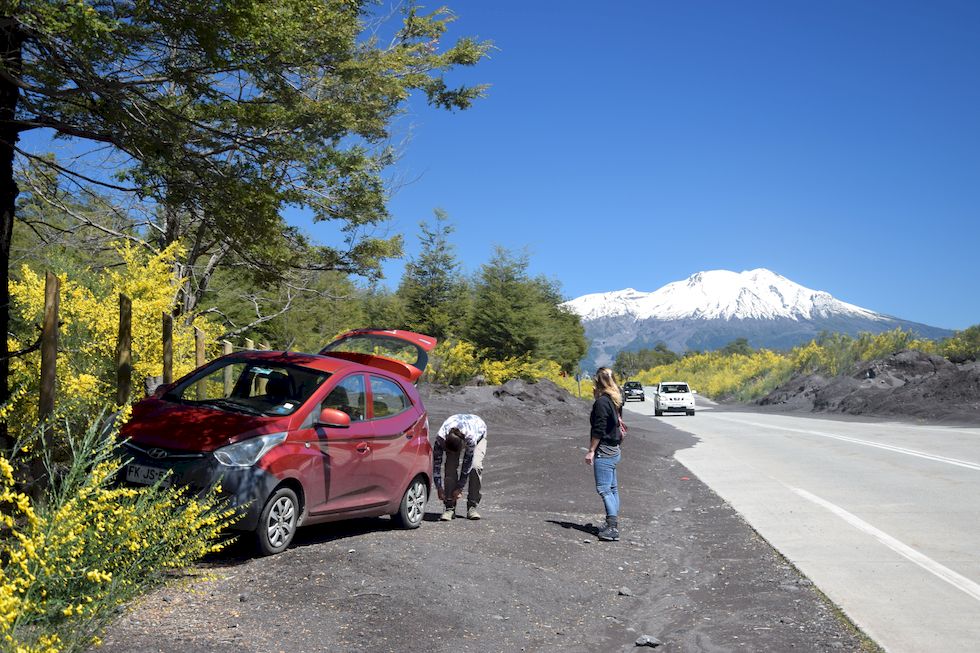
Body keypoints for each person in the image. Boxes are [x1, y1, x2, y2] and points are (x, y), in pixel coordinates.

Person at [585, 367, 624, 541]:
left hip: (605, 449)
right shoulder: (616, 399)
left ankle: (612, 527)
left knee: (603, 489)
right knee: (613, 489)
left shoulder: (602, 402)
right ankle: (612, 522)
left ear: (597, 383)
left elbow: (598, 429)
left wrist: (591, 450)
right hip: (615, 448)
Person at [433, 414, 488, 521]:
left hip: (479, 431)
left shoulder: (471, 439)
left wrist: (459, 488)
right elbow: (436, 464)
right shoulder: (440, 439)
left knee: (475, 467)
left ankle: (472, 507)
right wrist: (439, 487)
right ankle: (449, 506)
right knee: (450, 466)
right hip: (454, 435)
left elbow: (467, 466)